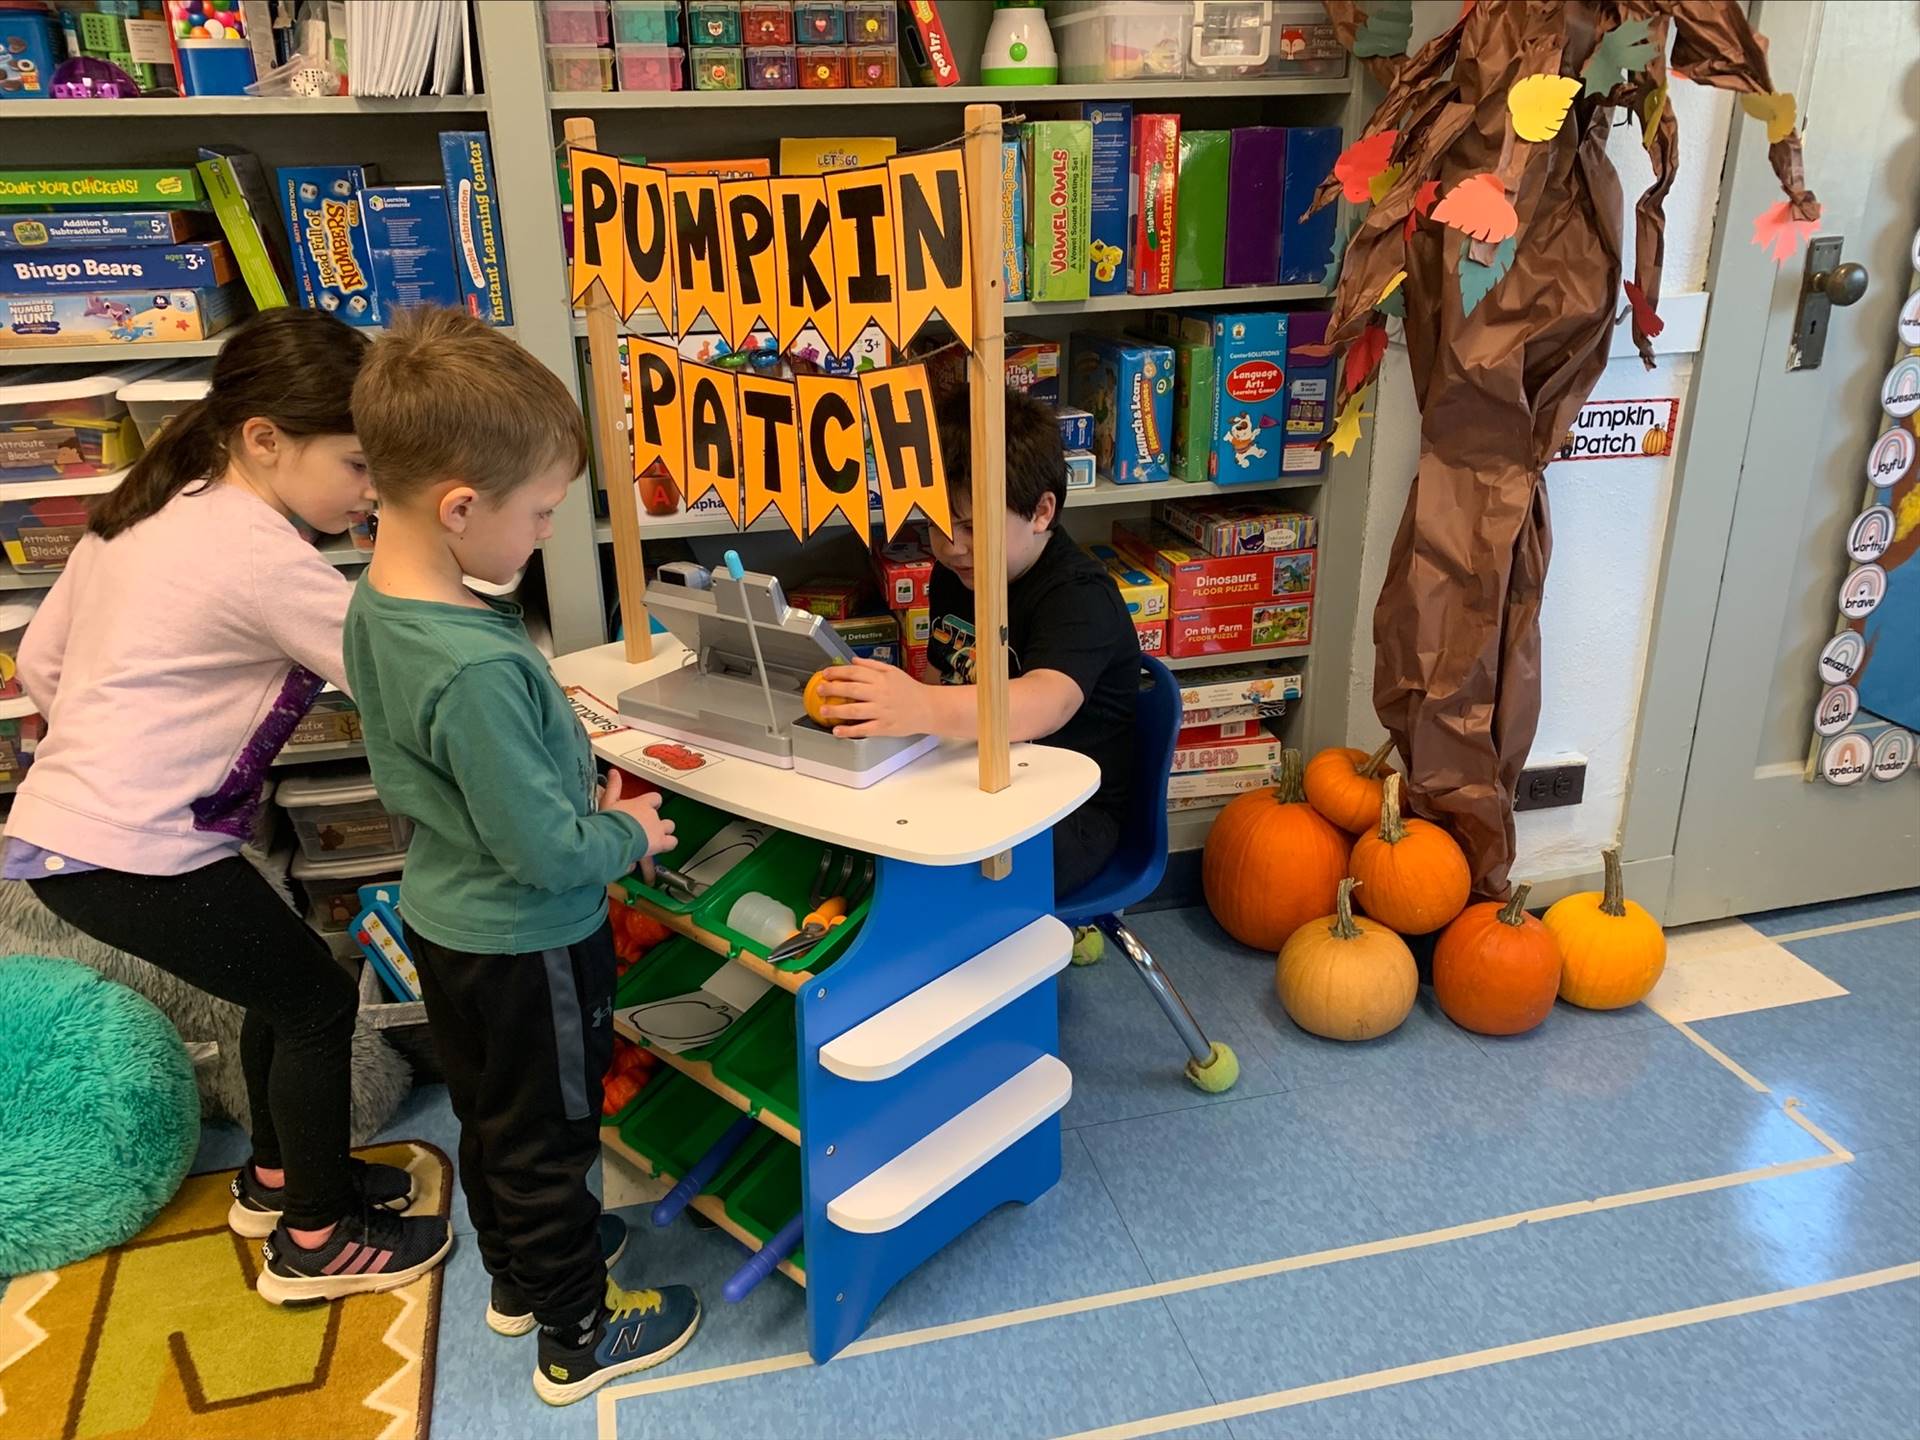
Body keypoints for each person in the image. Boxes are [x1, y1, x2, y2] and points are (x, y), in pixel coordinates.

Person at [9, 307, 451, 1303]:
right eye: (356, 466)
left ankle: (283, 1179)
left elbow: (39, 660)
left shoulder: (151, 507)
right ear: (266, 440)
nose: (371, 491)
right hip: (131, 849)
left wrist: (110, 748)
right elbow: (410, 682)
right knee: (318, 1002)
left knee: (279, 984)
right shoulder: (263, 558)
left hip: (73, 833)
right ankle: (319, 1244)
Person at [343, 307, 697, 1407]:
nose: (546, 532)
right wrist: (625, 832)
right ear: (460, 508)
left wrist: (555, 779)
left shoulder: (380, 603)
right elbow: (548, 854)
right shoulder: (476, 664)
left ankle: (520, 1280)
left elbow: (471, 785)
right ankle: (578, 1332)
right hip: (526, 936)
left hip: (449, 921)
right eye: (540, 513)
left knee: (495, 1121)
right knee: (551, 1134)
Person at [819, 385, 1139, 898]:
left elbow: (1043, 704)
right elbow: (941, 676)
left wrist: (920, 705)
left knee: (928, 875)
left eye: (971, 526)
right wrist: (897, 716)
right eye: (937, 525)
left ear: (1041, 512)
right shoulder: (957, 573)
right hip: (982, 779)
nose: (950, 546)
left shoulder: (1080, 596)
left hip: (1069, 818)